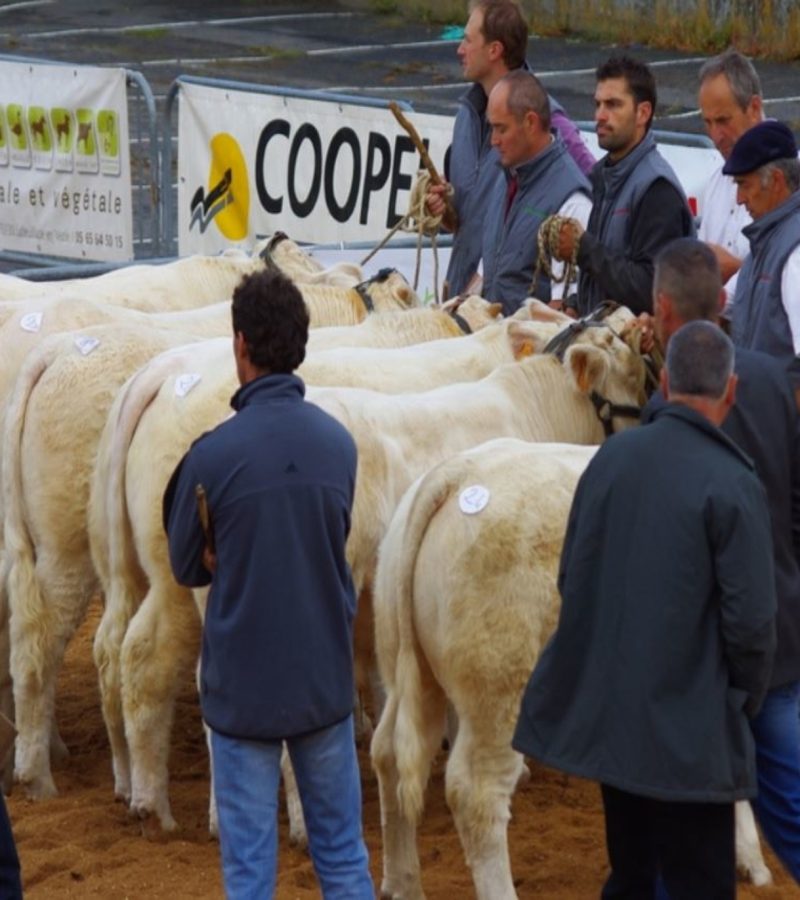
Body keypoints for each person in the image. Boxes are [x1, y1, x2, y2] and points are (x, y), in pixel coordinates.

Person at [513, 319, 777, 896]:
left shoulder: (610, 459)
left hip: (616, 724)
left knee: (632, 872)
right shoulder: (733, 483)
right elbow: (753, 627)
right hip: (694, 735)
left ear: (664, 385)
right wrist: (737, 703)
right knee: (699, 881)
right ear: (730, 390)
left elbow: (571, 577)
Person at [163, 269, 373, 899]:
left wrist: (216, 552)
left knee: (250, 873)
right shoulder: (339, 445)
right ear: (300, 345)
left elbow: (183, 565)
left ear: (240, 345)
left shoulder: (210, 458)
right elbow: (329, 535)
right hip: (323, 680)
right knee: (343, 858)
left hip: (243, 691)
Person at [644, 237, 800, 885]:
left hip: (702, 658)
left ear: (663, 310)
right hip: (780, 631)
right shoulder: (772, 380)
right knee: (790, 798)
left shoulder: (663, 411)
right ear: (722, 299)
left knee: (679, 823)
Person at [430, 0, 595, 297]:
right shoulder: (467, 114)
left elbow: (590, 193)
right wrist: (445, 210)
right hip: (466, 302)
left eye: (468, 40)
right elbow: (464, 220)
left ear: (494, 50)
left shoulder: (551, 121)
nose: (459, 49)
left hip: (515, 321)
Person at [555, 55, 695, 316]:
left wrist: (583, 248)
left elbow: (651, 289)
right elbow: (607, 276)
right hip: (601, 343)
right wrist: (576, 304)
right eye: (597, 104)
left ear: (643, 113)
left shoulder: (657, 188)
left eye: (613, 105)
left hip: (635, 352)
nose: (600, 115)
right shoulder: (604, 176)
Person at [447, 69, 591, 314]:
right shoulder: (505, 178)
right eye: (491, 128)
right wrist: (455, 311)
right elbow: (487, 272)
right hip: (492, 343)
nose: (493, 140)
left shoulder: (572, 201)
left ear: (531, 123)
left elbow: (564, 314)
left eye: (501, 129)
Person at [723, 119, 800, 381]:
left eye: (744, 184)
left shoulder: (795, 253)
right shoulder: (764, 242)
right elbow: (720, 302)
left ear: (776, 181)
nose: (739, 199)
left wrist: (774, 413)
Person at [697, 48, 764, 301]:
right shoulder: (716, 181)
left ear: (754, 108)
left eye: (723, 120)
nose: (715, 136)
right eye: (707, 122)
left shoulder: (792, 181)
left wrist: (737, 272)